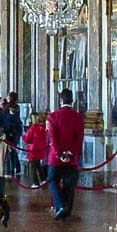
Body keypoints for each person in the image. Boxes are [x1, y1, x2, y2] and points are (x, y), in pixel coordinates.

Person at [46, 88, 85, 221]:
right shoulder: (78, 117)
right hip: (72, 158)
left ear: (60, 100)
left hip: (56, 158)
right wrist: (71, 153)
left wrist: (60, 154)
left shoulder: (53, 116)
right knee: (69, 185)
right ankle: (66, 212)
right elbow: (79, 139)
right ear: (72, 101)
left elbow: (53, 138)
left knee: (52, 180)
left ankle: (61, 206)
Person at [23, 116, 49, 186]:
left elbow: (27, 139)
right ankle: (43, 180)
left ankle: (35, 182)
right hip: (40, 150)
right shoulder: (43, 128)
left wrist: (24, 136)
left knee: (33, 168)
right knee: (38, 166)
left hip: (33, 150)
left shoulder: (32, 128)